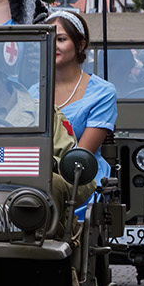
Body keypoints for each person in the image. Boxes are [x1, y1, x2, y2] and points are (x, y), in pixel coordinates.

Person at [41, 10, 116, 189]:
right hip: (37, 181)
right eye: (49, 38)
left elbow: (81, 157)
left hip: (80, 182)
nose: (54, 44)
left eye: (61, 39)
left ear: (80, 45)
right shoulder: (34, 91)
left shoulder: (102, 93)